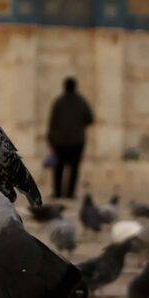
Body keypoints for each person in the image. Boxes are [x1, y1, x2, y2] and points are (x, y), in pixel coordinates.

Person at [46, 76, 93, 204]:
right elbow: (90, 119)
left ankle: (58, 192)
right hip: (76, 141)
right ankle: (70, 193)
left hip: (59, 142)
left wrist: (50, 139)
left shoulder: (59, 102)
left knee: (58, 168)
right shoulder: (81, 102)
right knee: (74, 168)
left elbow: (52, 122)